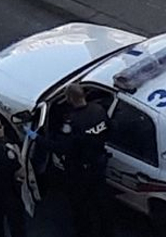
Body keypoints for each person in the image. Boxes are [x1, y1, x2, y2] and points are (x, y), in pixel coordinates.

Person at [26, 83, 112, 237]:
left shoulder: (72, 122)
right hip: (99, 164)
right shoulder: (98, 110)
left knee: (80, 206)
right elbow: (110, 129)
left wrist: (36, 138)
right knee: (102, 203)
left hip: (79, 171)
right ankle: (106, 231)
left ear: (70, 99)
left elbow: (61, 147)